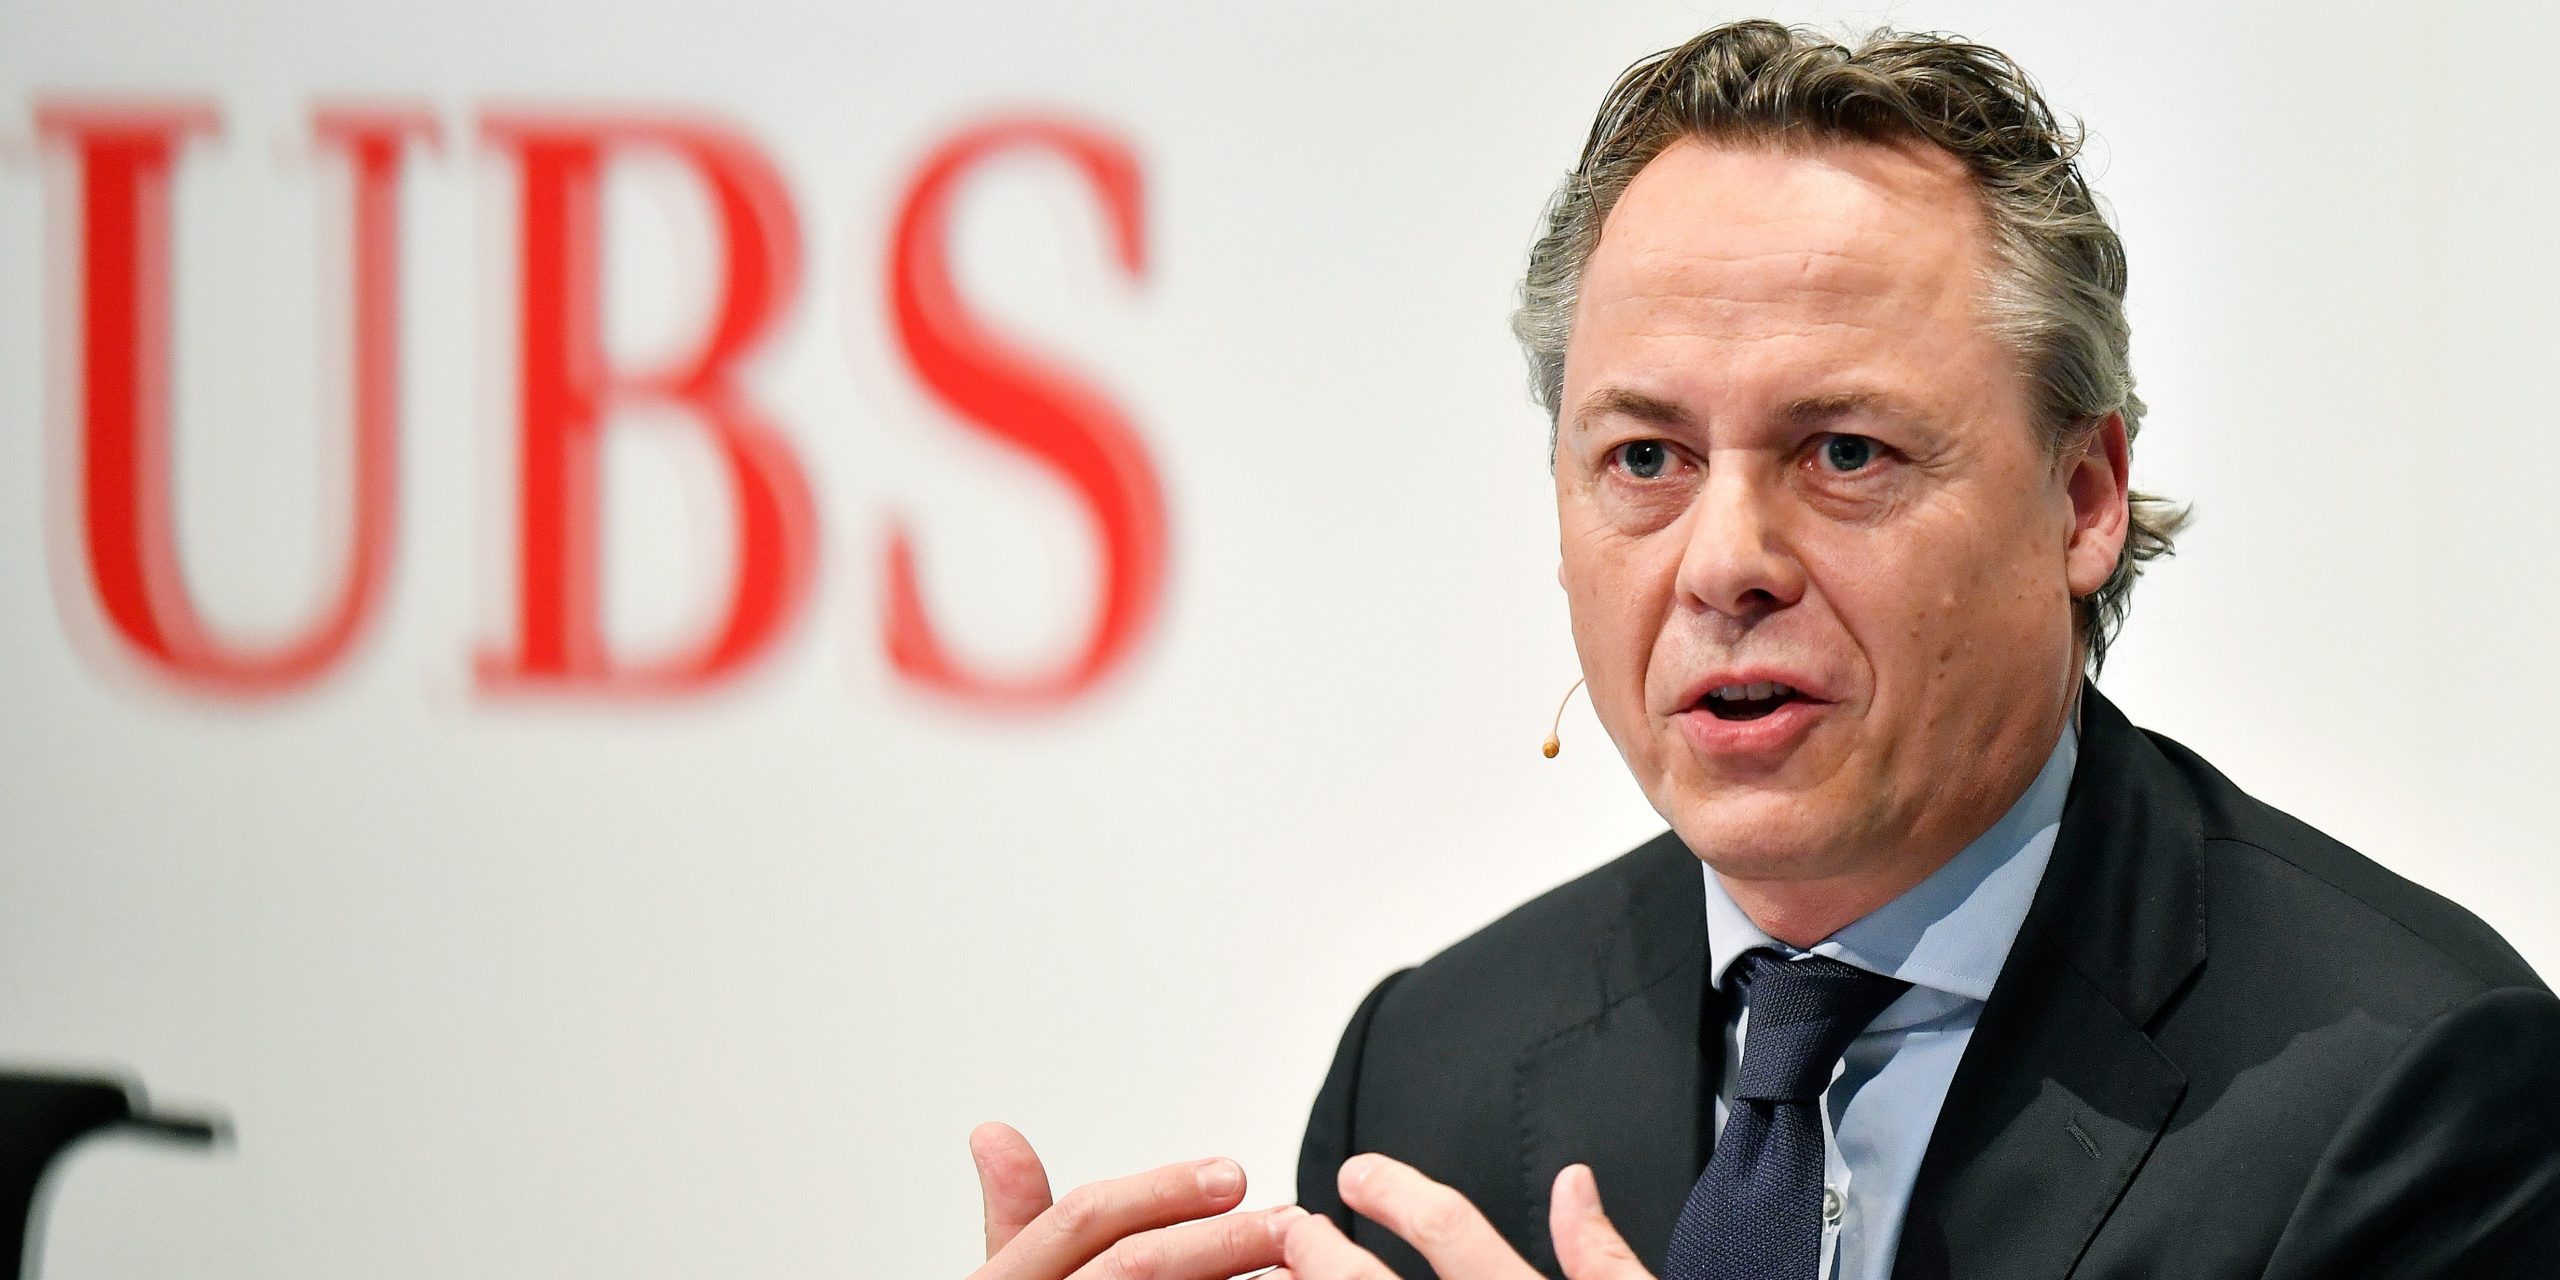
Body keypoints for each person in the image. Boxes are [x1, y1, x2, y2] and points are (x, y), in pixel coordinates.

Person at [957, 20, 2560, 1280]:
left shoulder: (2412, 1095)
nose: (1726, 562)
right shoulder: (1432, 1074)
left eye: (1846, 453)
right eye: (1645, 459)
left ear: (2082, 498)